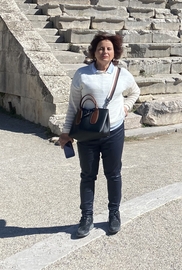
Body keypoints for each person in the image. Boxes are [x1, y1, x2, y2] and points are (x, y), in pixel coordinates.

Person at [58, 32, 140, 238]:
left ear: (115, 53)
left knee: (113, 174)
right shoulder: (82, 74)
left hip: (114, 131)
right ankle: (86, 217)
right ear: (94, 52)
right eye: (101, 48)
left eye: (109, 48)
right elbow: (73, 106)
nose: (105, 51)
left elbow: (135, 92)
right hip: (88, 134)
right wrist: (66, 132)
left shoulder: (122, 75)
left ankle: (114, 214)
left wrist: (125, 107)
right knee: (87, 176)